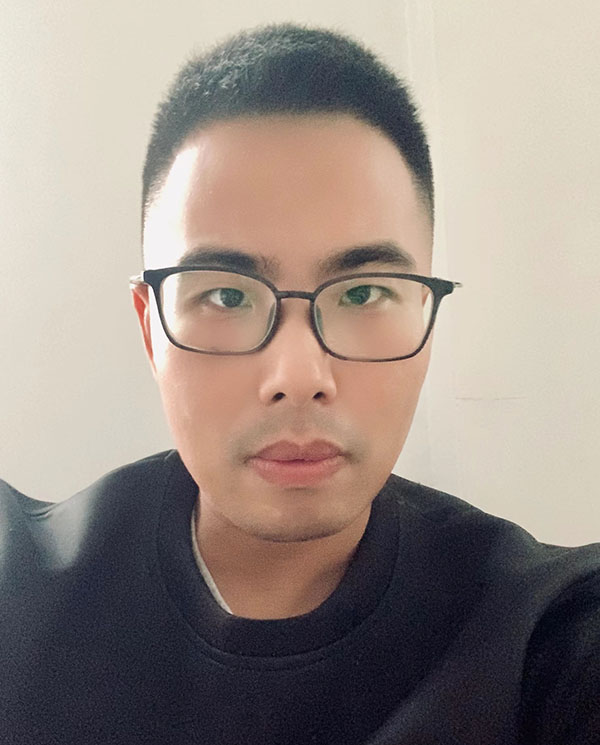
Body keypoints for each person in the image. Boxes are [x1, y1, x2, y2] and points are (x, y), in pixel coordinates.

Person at [0, 22, 598, 745]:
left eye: (362, 293)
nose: (299, 376)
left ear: (425, 318)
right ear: (150, 329)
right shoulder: (19, 590)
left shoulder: (542, 640)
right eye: (225, 295)